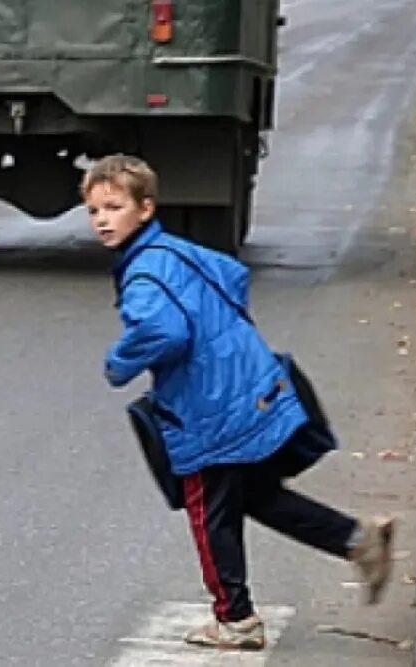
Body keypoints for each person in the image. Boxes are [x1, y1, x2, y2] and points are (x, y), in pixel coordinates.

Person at [83, 154, 395, 651]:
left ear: (145, 209)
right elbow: (232, 276)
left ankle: (236, 619)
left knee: (208, 511)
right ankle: (358, 540)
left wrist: (119, 363)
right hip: (253, 383)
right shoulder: (175, 250)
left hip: (211, 409)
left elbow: (163, 330)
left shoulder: (142, 272)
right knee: (254, 496)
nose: (101, 219)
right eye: (94, 210)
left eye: (113, 207)